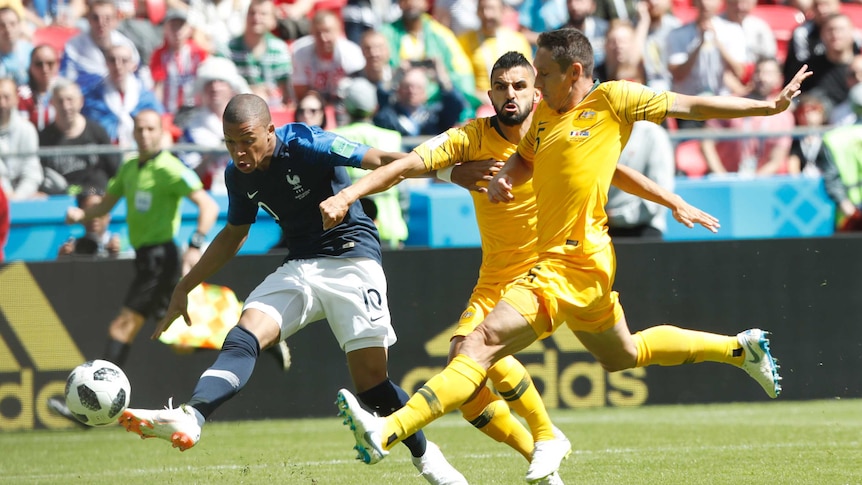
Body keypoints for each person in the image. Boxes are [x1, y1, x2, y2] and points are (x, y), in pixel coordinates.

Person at [335, 28, 801, 483]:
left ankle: (392, 429)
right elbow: (521, 159)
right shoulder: (540, 121)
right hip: (562, 269)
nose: (529, 88)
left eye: (537, 76)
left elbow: (686, 107)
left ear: (573, 72)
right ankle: (740, 349)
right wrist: (483, 176)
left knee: (476, 348)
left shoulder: (611, 99)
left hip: (566, 262)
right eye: (510, 84)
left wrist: (765, 106)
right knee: (623, 354)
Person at [117, 94, 469, 485]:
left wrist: (450, 173)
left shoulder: (307, 143)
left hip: (352, 258)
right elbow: (235, 232)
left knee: (373, 389)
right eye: (229, 142)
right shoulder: (238, 175)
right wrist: (184, 285)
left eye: (247, 139)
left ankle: (428, 459)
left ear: (270, 130)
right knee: (244, 335)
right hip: (300, 265)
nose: (239, 152)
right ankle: (193, 416)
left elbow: (384, 160)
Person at [47, 109, 219, 423]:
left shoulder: (170, 168)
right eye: (139, 130)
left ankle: (93, 410)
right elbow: (106, 205)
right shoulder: (128, 168)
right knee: (179, 338)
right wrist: (81, 217)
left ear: (162, 133)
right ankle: (254, 340)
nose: (144, 135)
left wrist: (195, 243)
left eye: (151, 129)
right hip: (145, 259)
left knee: (121, 327)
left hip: (162, 259)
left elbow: (208, 205)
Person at [333, 77, 407, 249]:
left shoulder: (333, 139)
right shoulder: (392, 138)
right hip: (391, 233)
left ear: (346, 108)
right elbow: (404, 194)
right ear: (375, 108)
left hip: (350, 233)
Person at [700, 58, 794, 176]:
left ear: (779, 79)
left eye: (768, 73)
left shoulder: (784, 115)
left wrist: (752, 182)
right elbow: (706, 142)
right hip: (723, 179)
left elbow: (776, 160)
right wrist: (721, 176)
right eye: (758, 72)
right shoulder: (731, 103)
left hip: (759, 183)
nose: (762, 77)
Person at [39, 79, 120, 195]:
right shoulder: (45, 137)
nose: (66, 106)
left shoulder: (97, 132)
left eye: (70, 100)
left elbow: (115, 169)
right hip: (60, 197)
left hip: (95, 193)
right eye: (60, 101)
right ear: (52, 103)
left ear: (80, 101)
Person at [81, 44, 163, 147]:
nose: (118, 66)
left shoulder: (146, 98)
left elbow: (160, 124)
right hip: (105, 150)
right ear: (106, 63)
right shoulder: (92, 97)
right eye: (112, 60)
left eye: (124, 61)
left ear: (133, 65)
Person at [605, 121, 674, 238]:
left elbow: (659, 194)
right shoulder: (602, 131)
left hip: (643, 230)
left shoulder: (653, 133)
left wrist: (617, 216)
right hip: (601, 228)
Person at [60, 0, 142, 96]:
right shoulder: (73, 47)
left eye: (107, 18)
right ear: (88, 19)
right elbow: (66, 82)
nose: (101, 23)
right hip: (86, 99)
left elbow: (138, 78)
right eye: (96, 18)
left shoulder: (126, 46)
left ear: (116, 20)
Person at [224, 0, 293, 108]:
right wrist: (251, 90)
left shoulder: (279, 48)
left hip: (273, 108)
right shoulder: (229, 48)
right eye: (252, 13)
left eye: (263, 14)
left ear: (273, 20)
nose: (256, 18)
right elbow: (224, 86)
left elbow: (285, 90)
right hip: (239, 108)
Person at [290, 10, 365, 103]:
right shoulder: (300, 51)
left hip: (345, 102)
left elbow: (359, 89)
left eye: (327, 31)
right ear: (311, 33)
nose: (323, 38)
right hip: (314, 104)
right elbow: (300, 92)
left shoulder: (351, 52)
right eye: (318, 33)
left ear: (338, 31)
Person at [0, 76, 42, 200]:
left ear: (16, 99)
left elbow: (32, 172)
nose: (2, 103)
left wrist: (17, 197)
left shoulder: (27, 130)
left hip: (22, 198)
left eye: (6, 97)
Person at [57, 187, 122, 259]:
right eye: (88, 211)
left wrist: (117, 255)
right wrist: (62, 259)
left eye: (98, 210)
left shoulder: (122, 244)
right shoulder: (72, 246)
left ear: (108, 215)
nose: (93, 217)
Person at [17, 44, 61, 131]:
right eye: (39, 64)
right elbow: (22, 129)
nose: (45, 68)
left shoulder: (64, 91)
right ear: (30, 66)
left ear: (57, 65)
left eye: (50, 63)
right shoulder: (22, 95)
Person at [0, 6, 33, 86]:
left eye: (12, 24)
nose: (8, 29)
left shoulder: (31, 53)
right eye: (2, 25)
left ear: (19, 26)